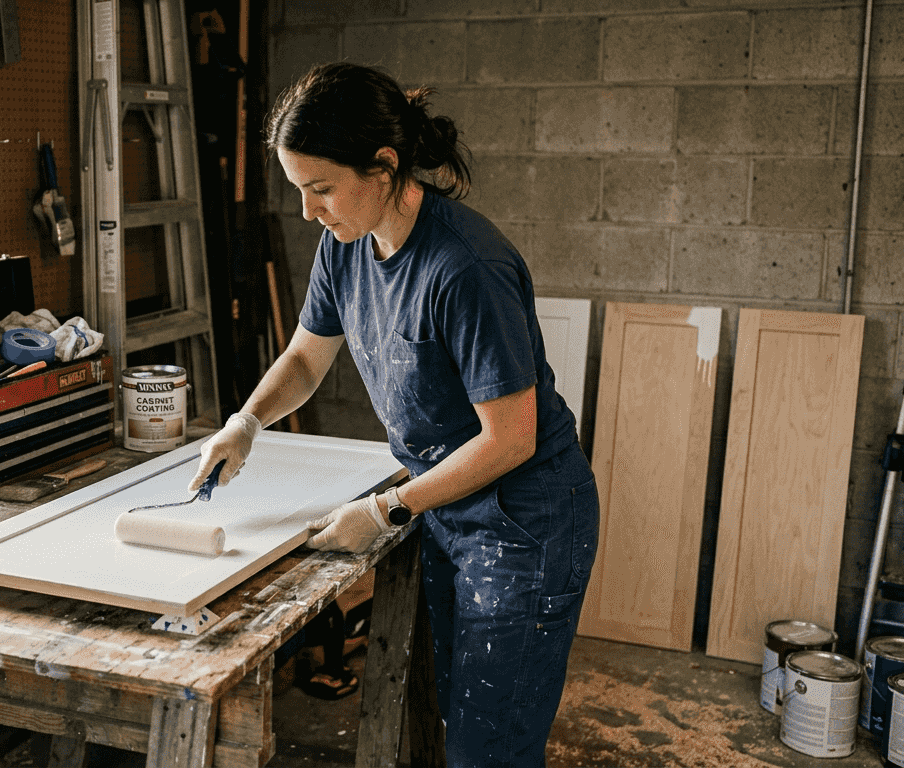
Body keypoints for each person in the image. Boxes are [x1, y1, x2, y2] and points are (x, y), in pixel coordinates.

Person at [188, 62, 599, 767]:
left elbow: (512, 438)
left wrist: (385, 511)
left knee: (489, 747)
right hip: (443, 503)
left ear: (383, 166)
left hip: (521, 518)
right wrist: (247, 420)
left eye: (321, 189)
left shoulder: (465, 267)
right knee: (452, 718)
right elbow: (305, 359)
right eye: (299, 192)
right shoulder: (344, 245)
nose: (310, 212)